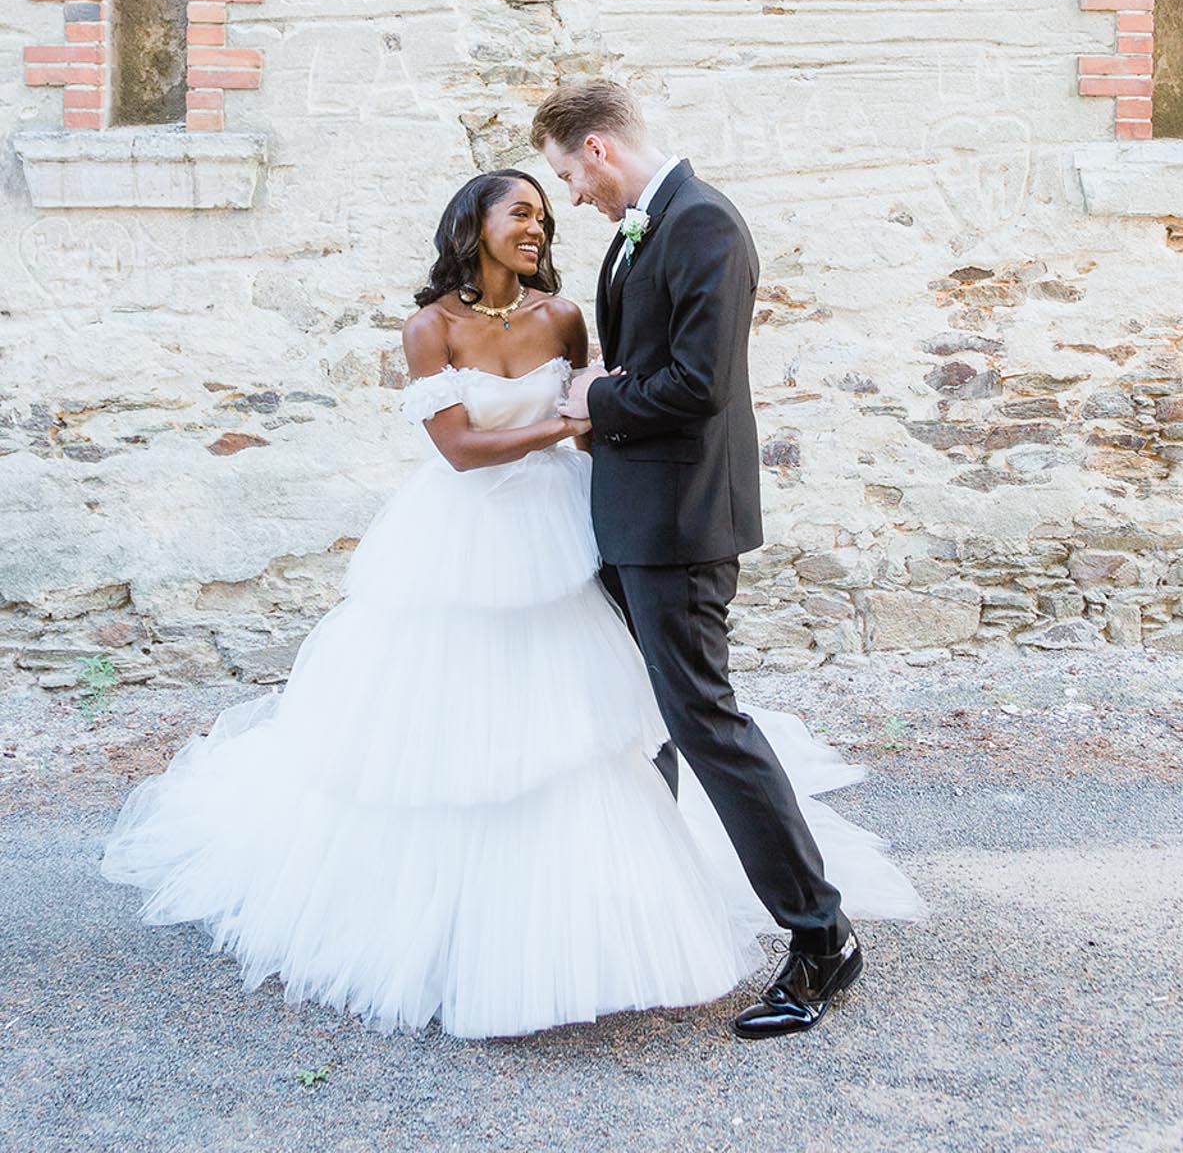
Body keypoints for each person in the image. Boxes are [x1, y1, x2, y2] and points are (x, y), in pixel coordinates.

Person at [102, 168, 924, 1040]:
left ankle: (637, 896)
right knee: (466, 731)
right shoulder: (429, 329)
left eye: (546, 210)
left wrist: (592, 421)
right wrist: (570, 425)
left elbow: (628, 389)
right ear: (475, 224)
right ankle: (461, 926)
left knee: (609, 719)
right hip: (469, 537)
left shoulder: (563, 316)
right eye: (522, 212)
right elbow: (460, 447)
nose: (539, 225)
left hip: (575, 529)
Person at [535, 80, 872, 1037]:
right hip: (633, 516)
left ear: (598, 148)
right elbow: (647, 364)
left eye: (568, 175)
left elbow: (698, 385)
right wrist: (607, 395)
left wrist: (593, 403)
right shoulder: (646, 226)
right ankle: (663, 913)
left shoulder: (704, 223)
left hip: (680, 524)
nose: (571, 196)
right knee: (646, 720)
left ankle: (821, 938)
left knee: (704, 720)